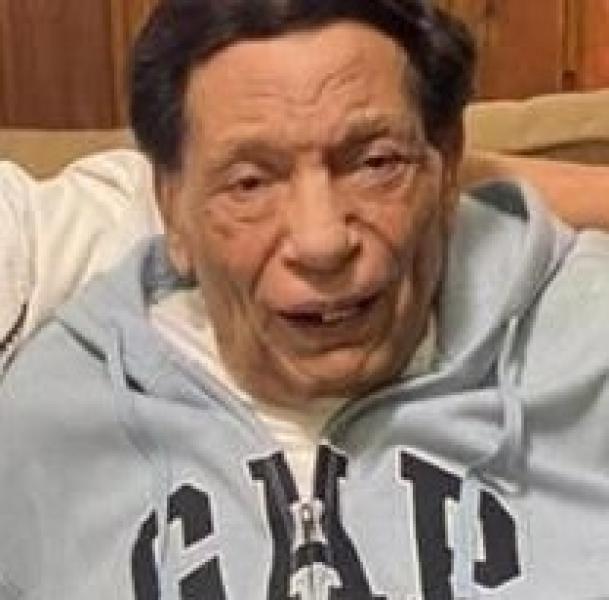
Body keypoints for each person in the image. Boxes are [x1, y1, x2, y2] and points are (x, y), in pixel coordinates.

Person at [1, 0, 609, 598]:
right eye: (250, 183)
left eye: (375, 163)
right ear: (171, 207)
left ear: (446, 167)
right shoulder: (50, 426)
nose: (322, 242)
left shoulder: (589, 340)